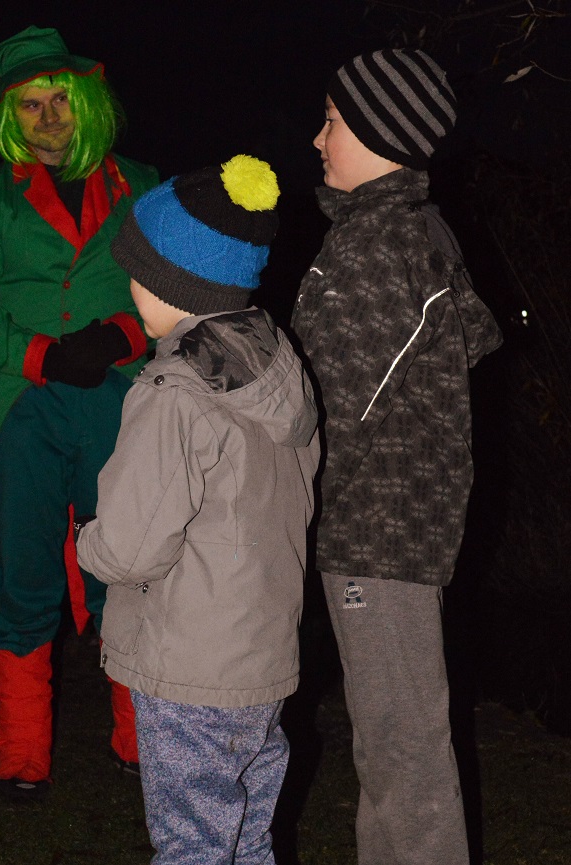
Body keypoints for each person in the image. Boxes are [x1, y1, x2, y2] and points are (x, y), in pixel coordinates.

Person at [76, 154, 320, 863]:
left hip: (191, 666)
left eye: (135, 272)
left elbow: (131, 546)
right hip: (260, 660)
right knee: (244, 838)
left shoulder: (173, 393)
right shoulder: (276, 364)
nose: (129, 288)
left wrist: (87, 540)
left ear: (170, 283)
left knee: (192, 844)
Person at [291, 49, 503, 864]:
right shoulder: (398, 232)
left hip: (376, 534)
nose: (317, 139)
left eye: (332, 122)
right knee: (388, 741)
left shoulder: (377, 246)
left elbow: (331, 406)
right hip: (387, 531)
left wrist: (282, 499)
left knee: (401, 747)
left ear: (383, 134)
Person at [0, 25, 158, 802]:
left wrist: (121, 335)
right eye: (29, 105)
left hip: (119, 407)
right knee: (22, 574)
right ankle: (22, 752)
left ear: (85, 101)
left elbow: (176, 292)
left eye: (58, 98)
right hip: (20, 410)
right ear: (9, 116)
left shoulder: (140, 185)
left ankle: (140, 742)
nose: (47, 117)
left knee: (129, 573)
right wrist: (38, 354)